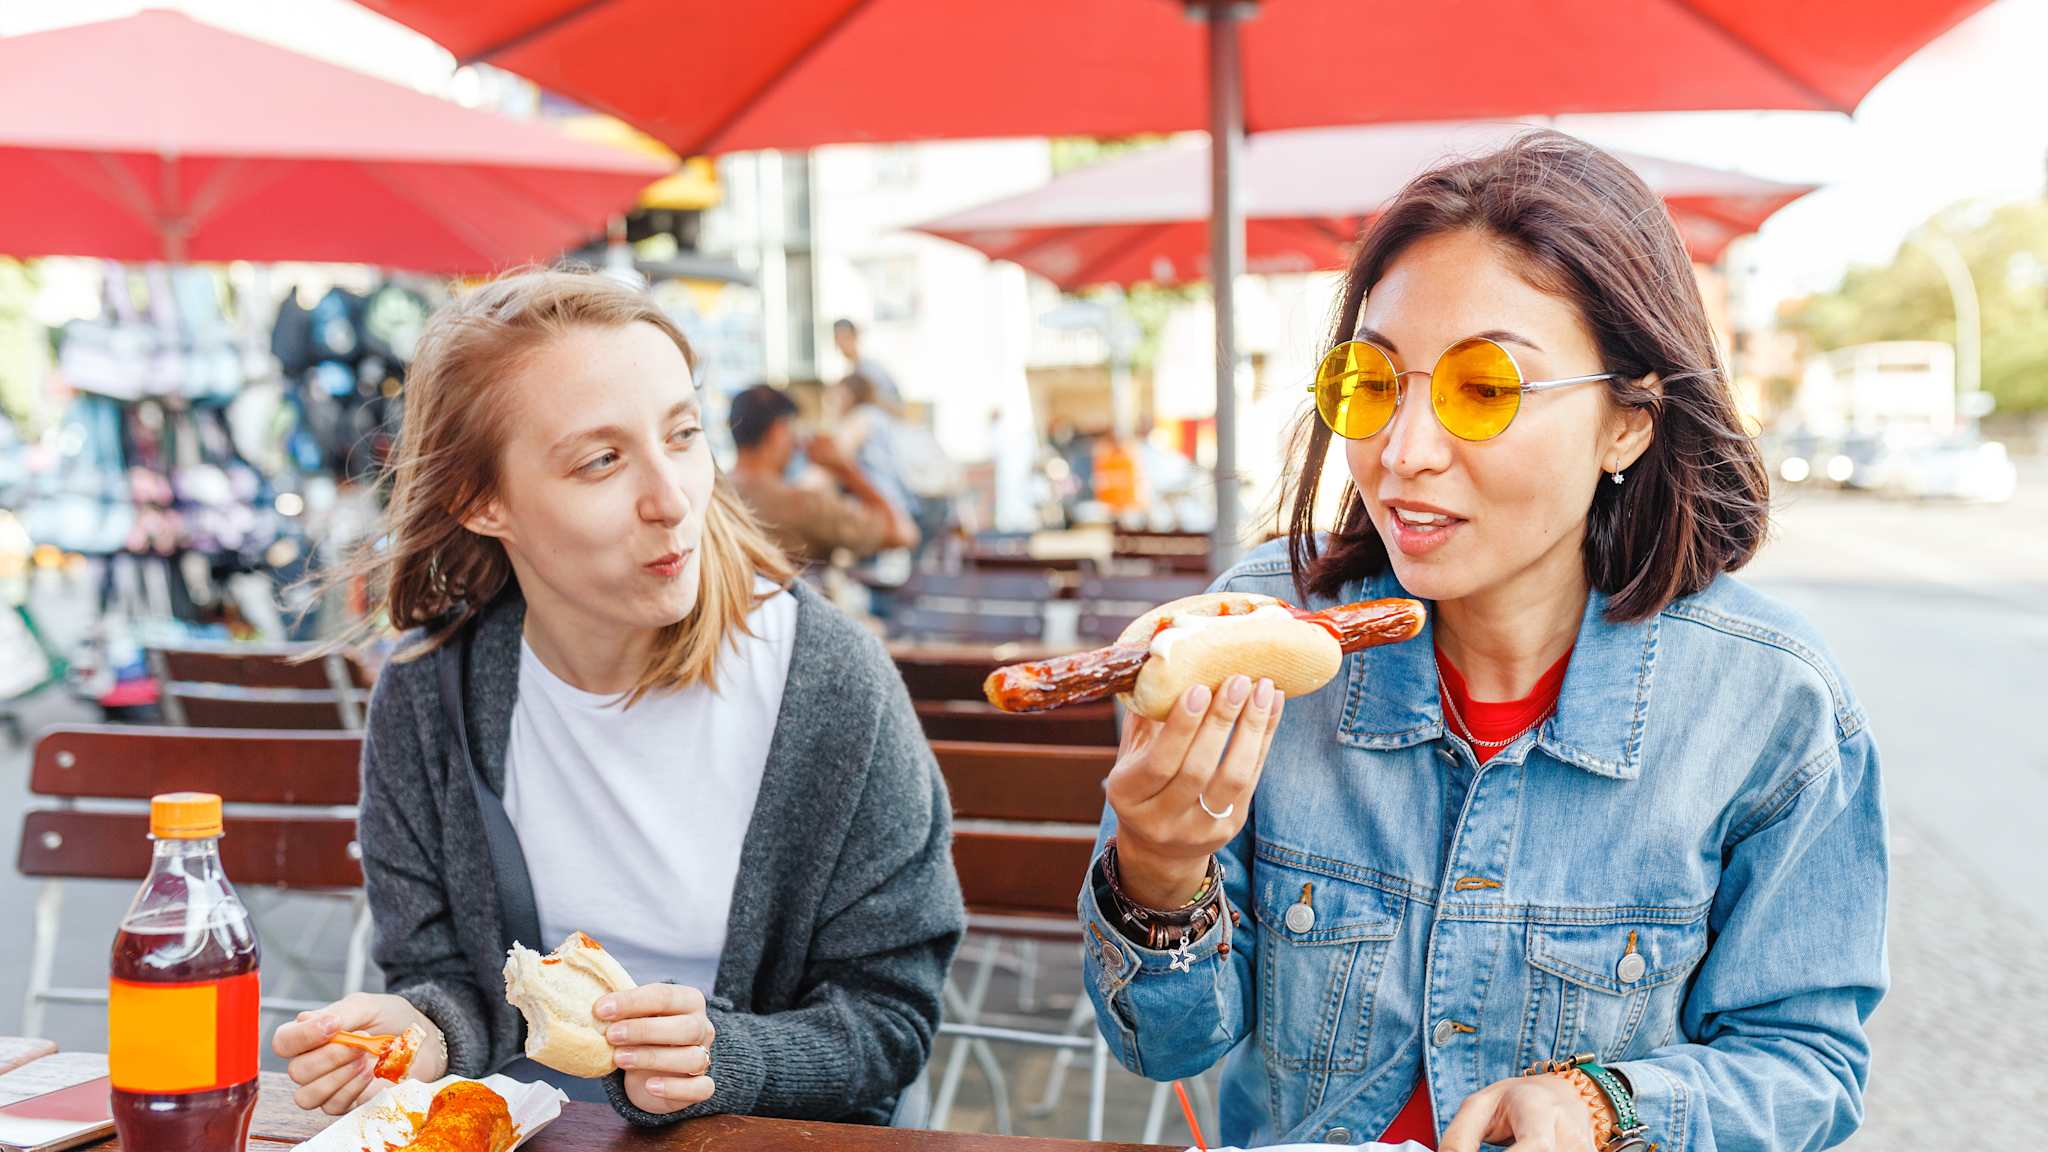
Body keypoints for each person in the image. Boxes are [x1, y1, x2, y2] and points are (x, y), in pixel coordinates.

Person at [1081, 131, 1885, 1152]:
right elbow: (1166, 1047)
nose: (1403, 452)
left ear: (1627, 422)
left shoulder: (1768, 707)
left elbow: (1806, 1068)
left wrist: (1603, 1105)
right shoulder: (1257, 639)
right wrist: (1155, 870)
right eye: (1371, 383)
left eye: (1483, 389)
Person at [271, 270, 963, 1128]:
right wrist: (419, 1030)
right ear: (480, 500)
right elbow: (447, 982)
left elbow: (890, 1021)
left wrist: (728, 1057)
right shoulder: (427, 700)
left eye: (683, 434)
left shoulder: (830, 685)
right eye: (601, 460)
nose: (671, 499)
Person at [725, 383, 918, 565]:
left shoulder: (714, 494)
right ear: (778, 432)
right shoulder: (803, 505)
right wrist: (845, 469)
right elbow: (903, 533)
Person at [832, 318, 900, 408]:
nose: (841, 343)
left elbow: (894, 406)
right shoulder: (852, 370)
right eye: (838, 338)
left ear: (855, 337)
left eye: (845, 337)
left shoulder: (870, 369)